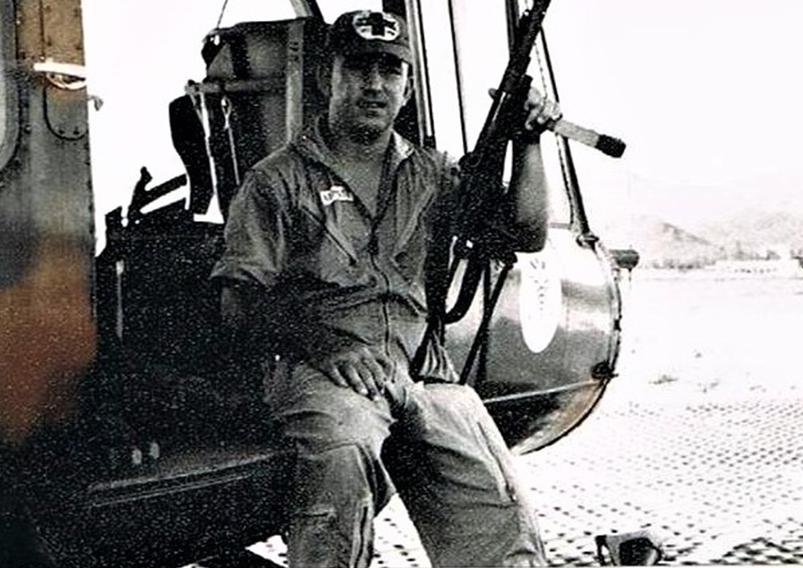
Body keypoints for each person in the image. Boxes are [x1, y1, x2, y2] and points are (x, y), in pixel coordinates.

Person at [211, 9, 561, 567]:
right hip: (322, 372)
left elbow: (524, 231)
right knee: (341, 465)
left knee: (496, 502)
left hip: (421, 374)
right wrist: (327, 345)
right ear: (330, 77)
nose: (374, 84)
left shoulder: (432, 174)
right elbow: (239, 299)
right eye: (359, 68)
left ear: (408, 86)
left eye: (389, 71)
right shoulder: (277, 180)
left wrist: (528, 142)